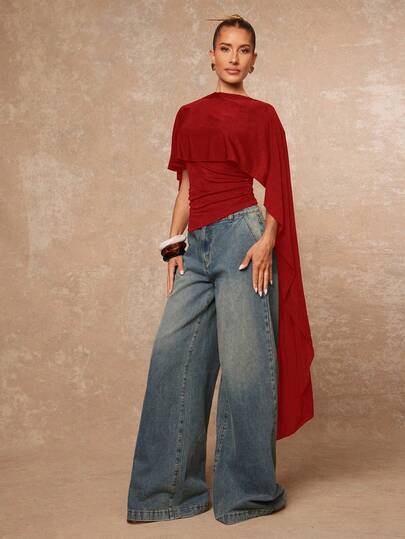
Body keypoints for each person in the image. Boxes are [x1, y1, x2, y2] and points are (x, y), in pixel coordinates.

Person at [127, 14, 315, 526]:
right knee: (172, 358)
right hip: (199, 245)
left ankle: (246, 494)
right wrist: (173, 246)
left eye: (244, 49)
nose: (234, 57)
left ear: (254, 60)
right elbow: (188, 187)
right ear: (211, 56)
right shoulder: (188, 115)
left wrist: (267, 239)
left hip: (243, 238)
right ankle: (167, 493)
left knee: (245, 367)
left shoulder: (263, 115)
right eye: (226, 48)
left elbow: (278, 184)